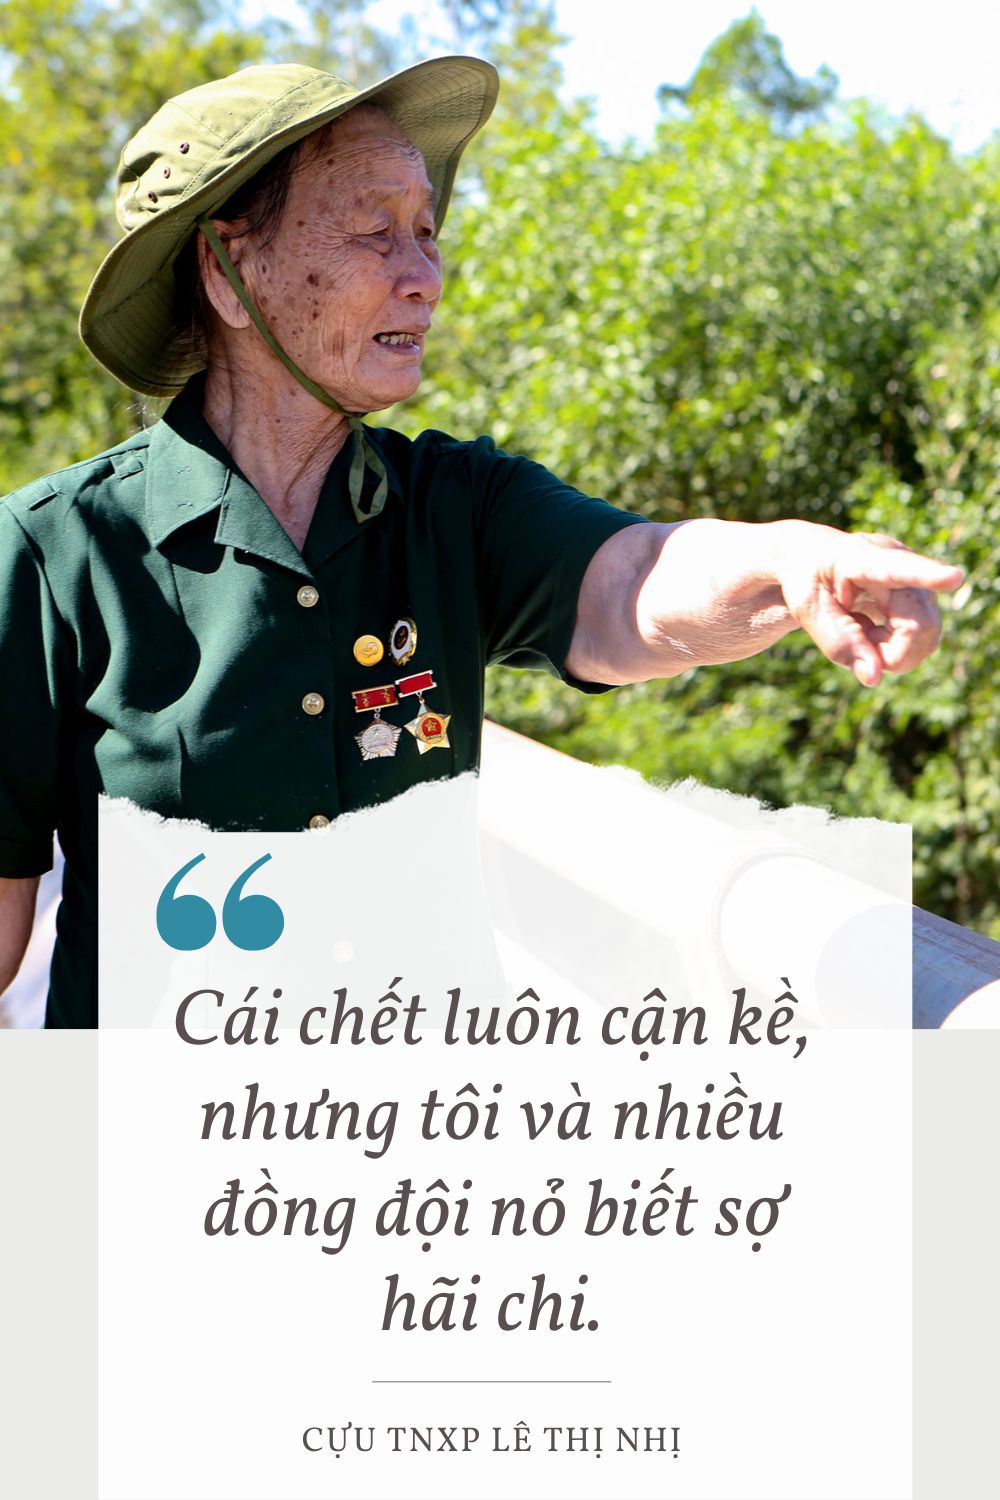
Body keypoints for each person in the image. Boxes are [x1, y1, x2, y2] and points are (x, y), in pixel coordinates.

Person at [0, 57, 963, 1029]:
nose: (424, 277)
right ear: (227, 269)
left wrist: (788, 563)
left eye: (426, 232)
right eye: (375, 231)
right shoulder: (55, 555)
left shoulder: (455, 504)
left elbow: (632, 577)